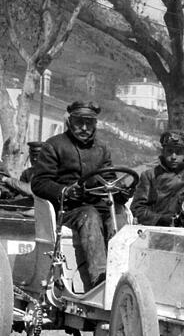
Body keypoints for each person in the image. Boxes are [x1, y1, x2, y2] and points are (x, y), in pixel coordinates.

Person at [31, 101, 132, 289]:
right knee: (90, 215)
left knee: (118, 217)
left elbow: (109, 179)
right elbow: (39, 183)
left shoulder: (102, 149)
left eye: (89, 123)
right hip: (68, 210)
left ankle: (121, 275)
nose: (84, 128)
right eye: (79, 122)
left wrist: (121, 192)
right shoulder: (54, 146)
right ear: (70, 122)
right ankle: (100, 279)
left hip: (97, 205)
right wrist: (65, 191)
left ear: (95, 124)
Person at [130, 130, 184, 228]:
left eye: (178, 152)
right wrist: (159, 219)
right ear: (163, 152)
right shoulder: (149, 176)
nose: (173, 157)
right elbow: (137, 208)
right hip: (154, 230)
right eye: (169, 151)